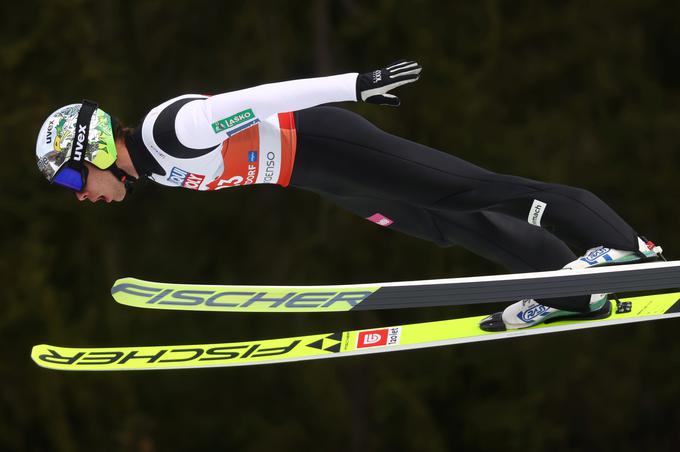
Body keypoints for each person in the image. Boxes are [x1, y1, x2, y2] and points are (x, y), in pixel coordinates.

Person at [35, 60, 664, 331]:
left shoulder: (165, 131)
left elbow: (261, 99)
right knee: (448, 225)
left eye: (70, 178)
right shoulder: (152, 167)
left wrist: (354, 85)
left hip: (326, 144)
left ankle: (621, 246)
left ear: (91, 147)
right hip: (319, 178)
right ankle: (571, 287)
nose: (79, 195)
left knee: (472, 191)